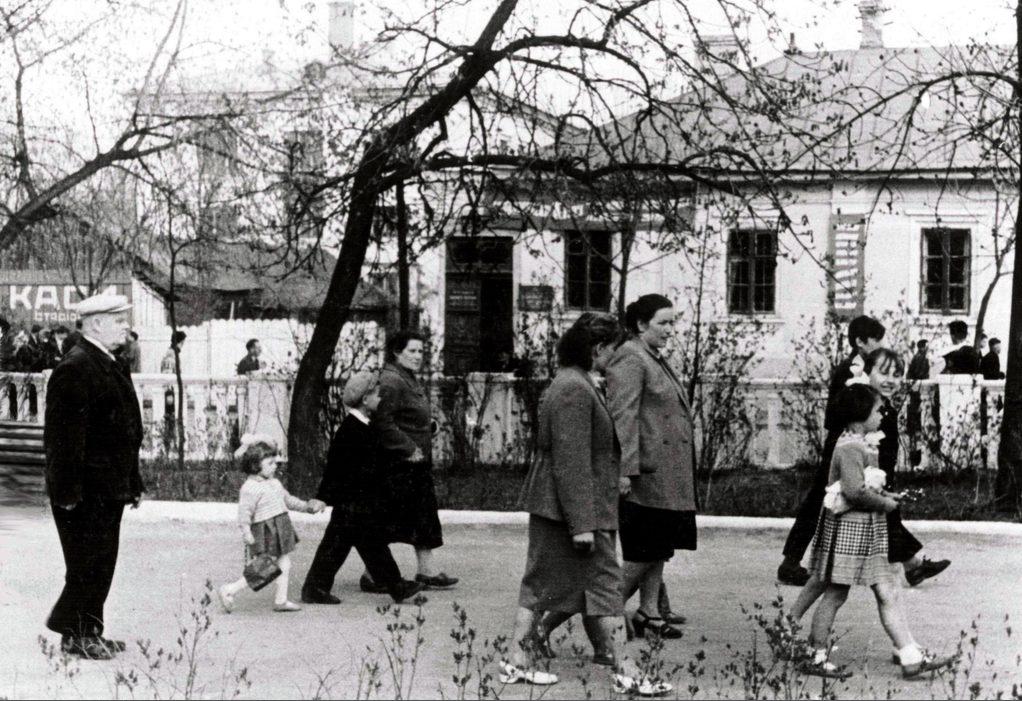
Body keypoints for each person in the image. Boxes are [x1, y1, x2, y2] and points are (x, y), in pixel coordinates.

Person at [502, 315, 670, 696]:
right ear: (597, 349)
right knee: (598, 586)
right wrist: (582, 525)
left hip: (567, 507)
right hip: (574, 510)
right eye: (612, 349)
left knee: (552, 585)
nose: (616, 357)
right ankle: (626, 670)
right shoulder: (574, 389)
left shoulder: (574, 382)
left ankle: (518, 659)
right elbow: (571, 460)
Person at [793, 384, 956, 680]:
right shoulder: (850, 447)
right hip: (850, 532)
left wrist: (887, 496)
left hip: (866, 532)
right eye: (878, 410)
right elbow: (854, 491)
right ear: (860, 415)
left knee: (880, 590)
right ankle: (815, 653)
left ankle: (909, 655)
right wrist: (885, 503)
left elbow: (864, 485)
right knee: (836, 594)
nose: (882, 415)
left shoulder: (860, 444)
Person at [43, 294, 143, 660]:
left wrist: (132, 481)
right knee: (87, 564)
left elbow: (126, 430)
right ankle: (78, 632)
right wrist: (67, 492)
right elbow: (63, 439)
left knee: (100, 562)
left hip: (109, 485)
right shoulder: (76, 367)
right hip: (85, 490)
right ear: (96, 323)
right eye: (118, 320)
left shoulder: (109, 363)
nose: (125, 327)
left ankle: (85, 632)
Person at [604, 294, 696, 641]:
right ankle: (605, 612)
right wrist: (625, 469)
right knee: (645, 550)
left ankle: (649, 613)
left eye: (673, 322)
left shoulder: (651, 356)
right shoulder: (631, 357)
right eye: (664, 323)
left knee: (659, 548)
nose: (671, 330)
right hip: (645, 473)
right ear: (641, 325)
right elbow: (623, 416)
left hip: (664, 472)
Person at [777, 315, 886, 586]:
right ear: (860, 342)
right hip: (843, 442)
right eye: (875, 339)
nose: (879, 344)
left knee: (868, 494)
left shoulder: (861, 368)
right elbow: (839, 412)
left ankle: (910, 563)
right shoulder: (850, 371)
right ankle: (790, 562)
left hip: (852, 441)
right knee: (821, 499)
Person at [301, 371, 426, 605]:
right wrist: (323, 496)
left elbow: (375, 460)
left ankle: (393, 586)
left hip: (359, 500)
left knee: (364, 543)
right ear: (365, 399)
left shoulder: (363, 426)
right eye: (377, 394)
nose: (381, 398)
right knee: (349, 544)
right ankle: (316, 588)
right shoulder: (351, 429)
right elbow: (335, 466)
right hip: (352, 501)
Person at [360, 330, 458, 592]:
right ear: (397, 352)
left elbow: (405, 416)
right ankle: (373, 575)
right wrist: (409, 447)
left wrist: (428, 425)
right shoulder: (392, 380)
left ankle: (427, 571)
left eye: (421, 351)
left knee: (422, 516)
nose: (418, 356)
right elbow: (383, 422)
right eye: (412, 351)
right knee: (388, 521)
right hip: (397, 464)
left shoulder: (406, 377)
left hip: (414, 463)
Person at [217, 435, 325, 613]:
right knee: (264, 567)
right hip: (265, 530)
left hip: (280, 526)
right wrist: (246, 532)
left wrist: (307, 507)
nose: (275, 466)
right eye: (270, 463)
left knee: (284, 563)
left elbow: (288, 500)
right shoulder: (249, 488)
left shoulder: (274, 483)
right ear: (255, 465)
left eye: (275, 462)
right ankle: (230, 590)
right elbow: (244, 513)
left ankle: (281, 600)